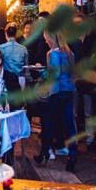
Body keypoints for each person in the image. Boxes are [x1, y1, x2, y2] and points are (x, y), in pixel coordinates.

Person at [35, 31, 77, 172]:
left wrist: (41, 72)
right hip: (69, 91)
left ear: (51, 39)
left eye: (46, 39)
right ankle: (72, 156)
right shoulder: (70, 54)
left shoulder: (53, 54)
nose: (46, 41)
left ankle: (44, 154)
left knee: (48, 124)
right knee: (69, 125)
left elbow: (55, 74)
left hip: (56, 91)